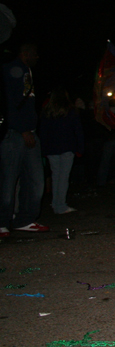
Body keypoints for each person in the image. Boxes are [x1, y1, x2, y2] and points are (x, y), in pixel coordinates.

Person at [0, 43, 49, 235]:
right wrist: (21, 129)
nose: (37, 56)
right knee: (8, 180)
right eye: (35, 52)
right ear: (25, 52)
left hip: (30, 132)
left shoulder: (27, 71)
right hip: (14, 134)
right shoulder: (10, 70)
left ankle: (25, 219)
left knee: (36, 179)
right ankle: (2, 221)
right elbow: (9, 103)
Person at [39, 86, 84, 214]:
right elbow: (78, 131)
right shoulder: (71, 111)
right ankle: (60, 205)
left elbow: (43, 132)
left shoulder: (47, 112)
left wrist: (44, 149)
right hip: (67, 147)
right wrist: (80, 148)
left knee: (56, 176)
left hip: (53, 148)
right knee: (63, 177)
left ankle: (56, 203)